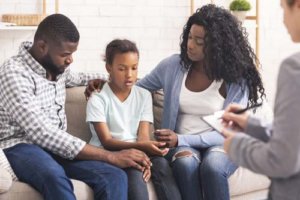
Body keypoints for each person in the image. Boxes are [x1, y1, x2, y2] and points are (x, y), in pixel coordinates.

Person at [85, 4, 265, 200]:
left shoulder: (237, 78)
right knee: (185, 164)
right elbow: (136, 87)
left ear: (218, 45)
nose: (190, 45)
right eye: (189, 37)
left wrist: (180, 139)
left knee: (213, 167)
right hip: (182, 147)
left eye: (199, 41)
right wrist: (105, 80)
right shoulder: (173, 66)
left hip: (220, 143)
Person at [0, 14, 152, 200]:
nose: (70, 60)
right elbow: (41, 132)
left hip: (57, 149)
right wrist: (110, 156)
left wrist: (118, 79)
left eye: (72, 54)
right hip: (21, 146)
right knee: (54, 177)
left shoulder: (57, 69)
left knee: (114, 176)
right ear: (42, 47)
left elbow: (80, 77)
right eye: (65, 54)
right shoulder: (13, 73)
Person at [221, 0, 300, 200]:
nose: (283, 20)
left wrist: (236, 145)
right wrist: (252, 125)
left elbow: (282, 159)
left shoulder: (294, 69)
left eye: (283, 9)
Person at [86, 39, 181, 200]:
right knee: (135, 173)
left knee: (162, 165)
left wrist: (146, 154)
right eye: (122, 69)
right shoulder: (97, 97)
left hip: (137, 149)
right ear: (109, 68)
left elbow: (143, 137)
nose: (129, 75)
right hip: (109, 153)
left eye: (134, 68)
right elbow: (107, 141)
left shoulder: (143, 95)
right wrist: (141, 151)